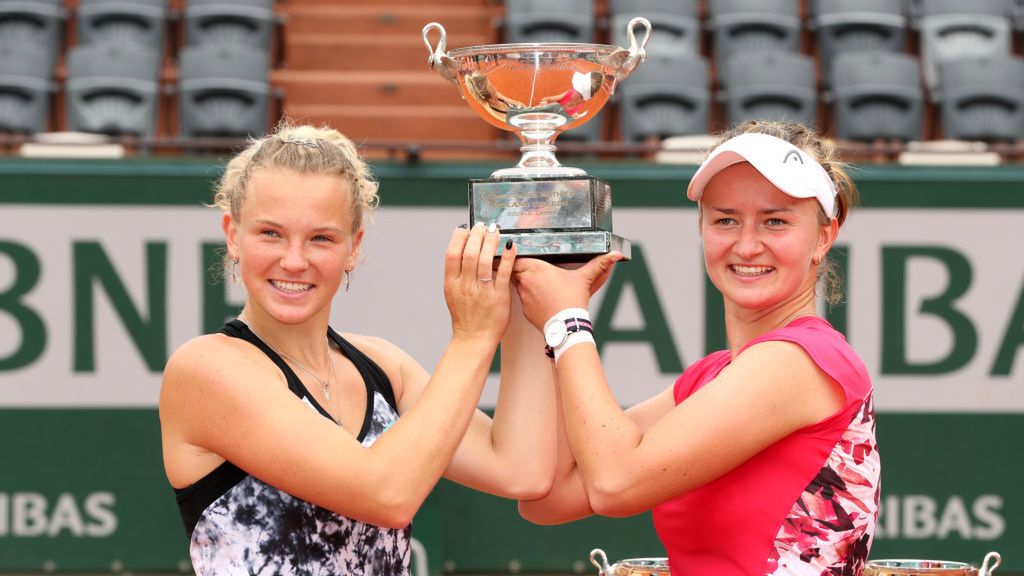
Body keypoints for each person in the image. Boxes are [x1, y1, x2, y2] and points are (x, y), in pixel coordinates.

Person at [159, 122, 555, 575]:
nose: (293, 260)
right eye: (270, 233)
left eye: (321, 238)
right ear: (232, 234)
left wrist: (530, 301)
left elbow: (522, 469)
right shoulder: (207, 368)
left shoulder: (383, 366)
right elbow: (387, 495)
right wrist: (473, 337)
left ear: (354, 247)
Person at [513, 120, 881, 575]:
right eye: (726, 219)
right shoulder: (710, 377)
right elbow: (547, 498)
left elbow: (613, 483)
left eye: (776, 221)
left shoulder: (801, 359)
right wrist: (547, 316)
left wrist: (567, 322)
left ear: (824, 236)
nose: (747, 245)